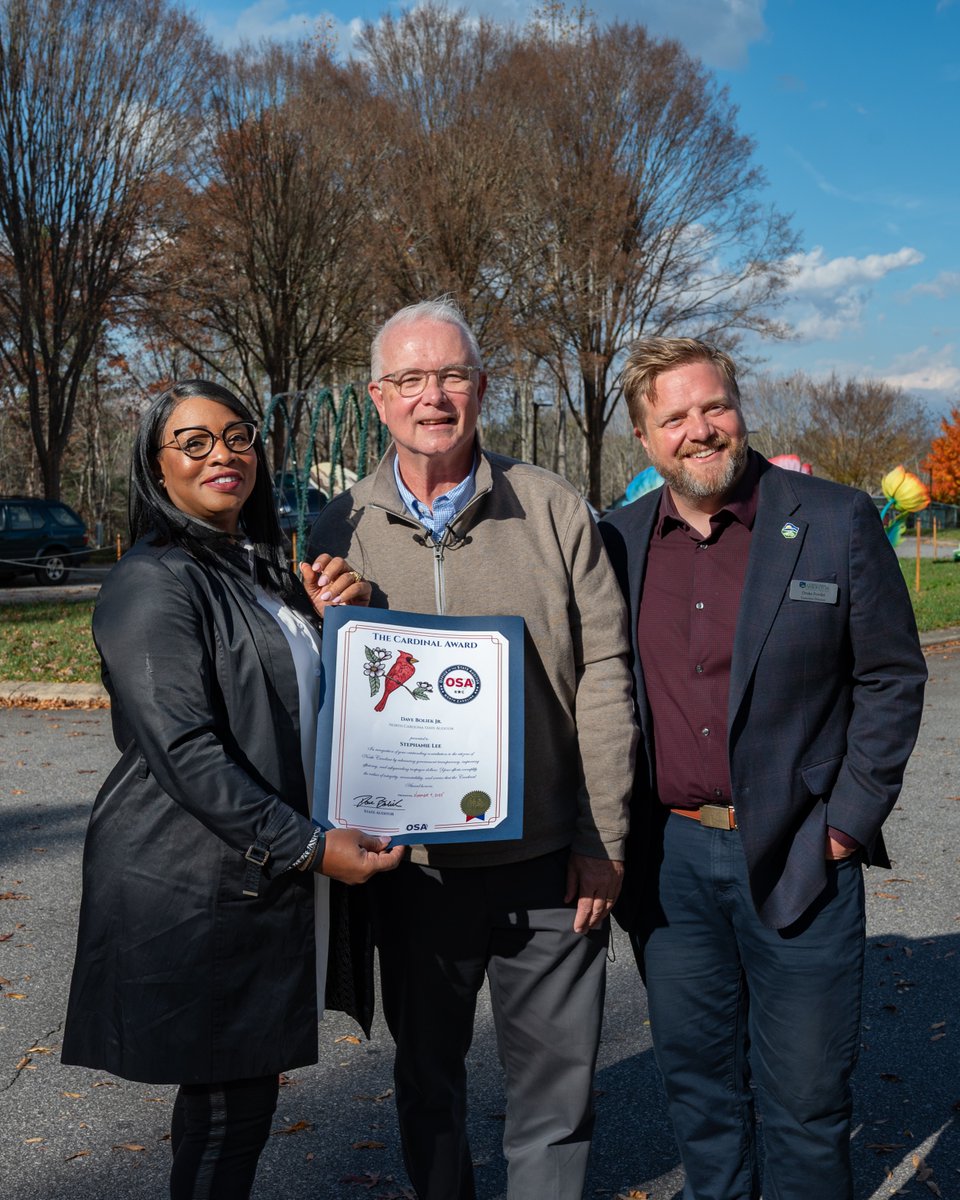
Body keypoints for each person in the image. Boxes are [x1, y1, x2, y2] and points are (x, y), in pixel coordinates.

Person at [307, 299, 638, 1200]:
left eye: (452, 375)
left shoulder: (553, 506)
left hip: (549, 865)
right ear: (378, 398)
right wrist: (333, 611)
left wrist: (600, 839)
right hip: (414, 872)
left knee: (555, 1100)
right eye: (411, 379)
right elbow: (314, 689)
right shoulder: (336, 528)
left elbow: (606, 673)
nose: (434, 397)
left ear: (482, 388)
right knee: (428, 1086)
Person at [599, 338, 927, 1200]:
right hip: (670, 869)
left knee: (808, 1107)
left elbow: (891, 675)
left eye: (714, 407)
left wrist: (847, 820)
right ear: (644, 437)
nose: (700, 430)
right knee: (702, 1100)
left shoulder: (833, 517)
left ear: (739, 409)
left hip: (799, 852)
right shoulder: (617, 544)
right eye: (674, 417)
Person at [62, 380, 404, 1199]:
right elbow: (183, 748)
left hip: (254, 875)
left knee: (236, 1103)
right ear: (157, 468)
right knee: (224, 1113)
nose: (224, 454)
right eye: (194, 442)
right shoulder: (153, 582)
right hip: (194, 887)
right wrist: (312, 846)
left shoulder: (259, 574)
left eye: (238, 435)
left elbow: (292, 705)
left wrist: (333, 621)